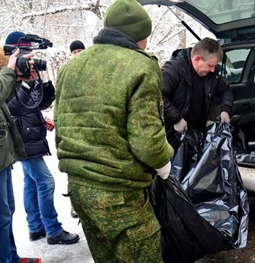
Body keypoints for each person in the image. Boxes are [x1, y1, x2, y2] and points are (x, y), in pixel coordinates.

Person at [54, 0, 174, 262]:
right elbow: (147, 140)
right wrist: (163, 161)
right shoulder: (141, 66)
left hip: (79, 189)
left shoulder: (70, 67)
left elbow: (60, 127)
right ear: (140, 34)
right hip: (120, 194)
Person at [5, 31, 80, 246]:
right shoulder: (6, 75)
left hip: (32, 137)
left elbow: (37, 105)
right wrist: (26, 85)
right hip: (23, 139)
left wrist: (42, 85)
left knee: (31, 183)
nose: (29, 58)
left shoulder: (22, 75)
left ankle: (36, 227)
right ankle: (53, 230)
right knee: (46, 181)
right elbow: (12, 108)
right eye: (26, 53)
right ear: (14, 52)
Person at [0, 45, 42, 263]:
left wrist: (26, 80)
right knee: (1, 216)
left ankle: (11, 258)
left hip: (4, 157)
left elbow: (10, 103)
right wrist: (9, 71)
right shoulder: (4, 76)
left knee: (7, 213)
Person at [161, 37, 234, 152]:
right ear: (197, 59)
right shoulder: (174, 69)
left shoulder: (211, 74)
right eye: (210, 65)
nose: (212, 69)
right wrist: (176, 119)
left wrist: (225, 109)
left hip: (195, 134)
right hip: (170, 136)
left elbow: (226, 90)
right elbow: (157, 96)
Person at [66, 40, 86, 219]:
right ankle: (75, 206)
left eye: (81, 50)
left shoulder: (92, 71)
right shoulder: (67, 73)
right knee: (74, 170)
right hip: (72, 129)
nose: (78, 53)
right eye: (75, 51)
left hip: (88, 128)